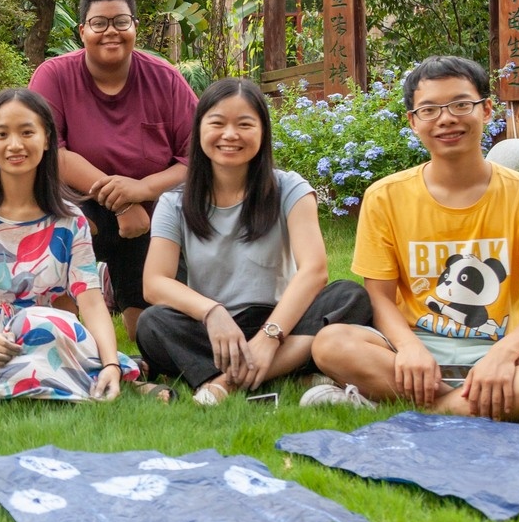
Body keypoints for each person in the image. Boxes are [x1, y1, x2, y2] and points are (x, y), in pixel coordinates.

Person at [305, 56, 519, 431]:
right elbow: (380, 298)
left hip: (499, 347)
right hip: (412, 354)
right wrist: (408, 348)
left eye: (460, 104)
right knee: (330, 343)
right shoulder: (385, 197)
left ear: (487, 110)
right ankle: (514, 406)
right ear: (413, 121)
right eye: (429, 110)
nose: (446, 118)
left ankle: (419, 410)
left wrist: (503, 355)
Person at [135, 79, 372, 405]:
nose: (230, 135)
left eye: (244, 124)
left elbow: (314, 271)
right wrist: (212, 313)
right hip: (215, 334)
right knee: (152, 324)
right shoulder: (174, 202)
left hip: (282, 321)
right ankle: (291, 371)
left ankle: (225, 383)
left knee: (349, 295)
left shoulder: (290, 188)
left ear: (263, 132)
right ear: (199, 129)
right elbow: (155, 283)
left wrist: (269, 338)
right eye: (217, 123)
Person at [0, 88, 140, 401]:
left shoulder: (70, 220)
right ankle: (83, 377)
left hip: (55, 335)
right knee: (31, 338)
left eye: (27, 132)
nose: (15, 145)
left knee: (43, 322)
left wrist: (109, 361)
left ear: (47, 138)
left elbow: (91, 302)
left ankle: (102, 372)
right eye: (2, 134)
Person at [29, 0, 198, 340]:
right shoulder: (54, 75)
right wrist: (122, 203)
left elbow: (195, 157)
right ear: (82, 31)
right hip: (75, 205)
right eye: (99, 23)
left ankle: (121, 288)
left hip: (149, 213)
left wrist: (141, 189)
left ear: (135, 26)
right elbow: (49, 150)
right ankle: (72, 305)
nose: (111, 32)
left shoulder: (165, 79)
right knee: (69, 332)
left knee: (150, 334)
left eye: (121, 22)